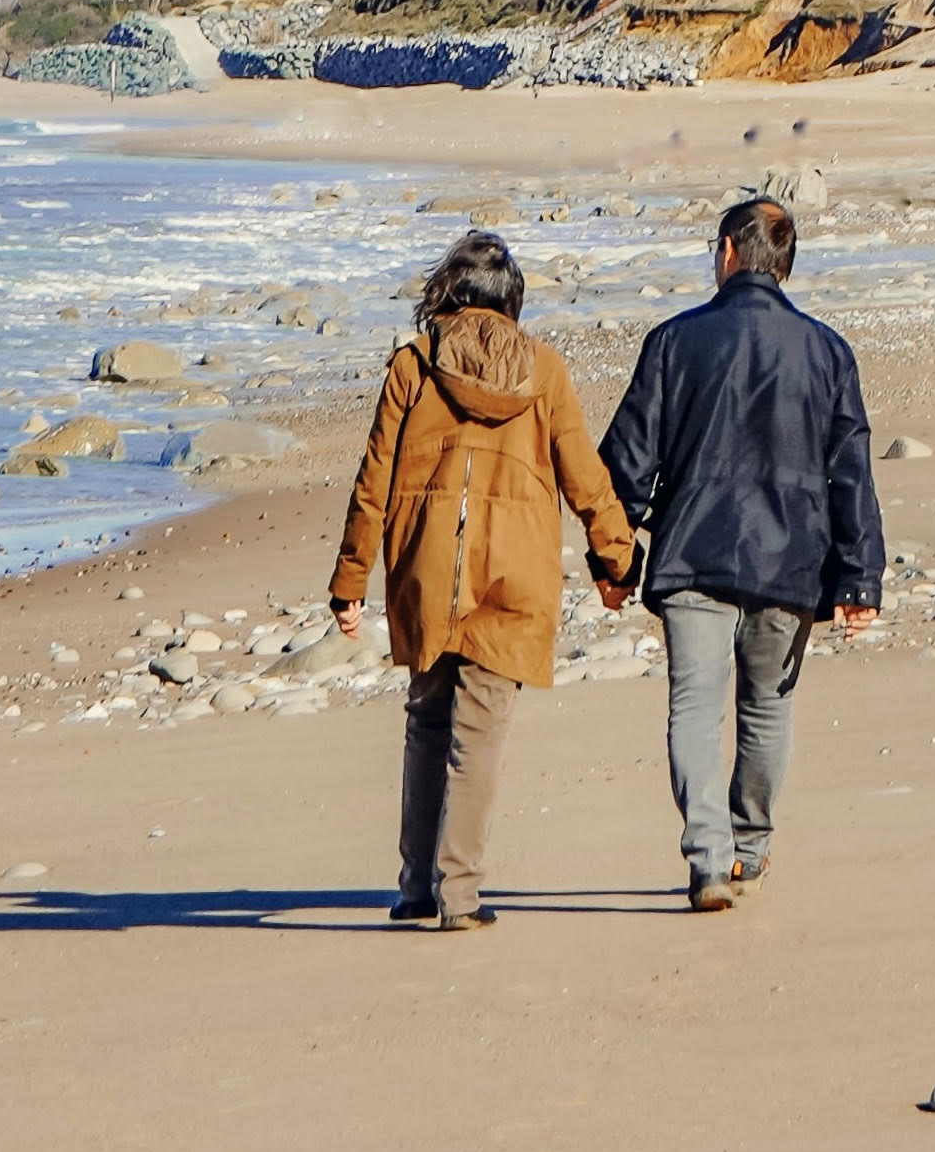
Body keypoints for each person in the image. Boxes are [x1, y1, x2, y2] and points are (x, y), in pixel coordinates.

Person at [330, 227, 639, 931]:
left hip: (427, 567)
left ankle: (415, 887)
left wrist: (349, 581)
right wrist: (615, 559)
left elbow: (372, 481)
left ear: (448, 292)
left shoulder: (414, 363)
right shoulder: (544, 370)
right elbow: (582, 474)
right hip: (513, 570)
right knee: (479, 733)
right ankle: (459, 894)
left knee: (426, 724)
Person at [600, 193, 883, 911]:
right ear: (781, 264)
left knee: (695, 707)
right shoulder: (826, 350)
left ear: (728, 252)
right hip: (790, 556)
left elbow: (626, 463)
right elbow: (850, 470)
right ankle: (746, 851)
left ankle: (707, 857)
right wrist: (859, 578)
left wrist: (614, 557)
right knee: (765, 709)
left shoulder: (673, 341)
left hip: (694, 547)